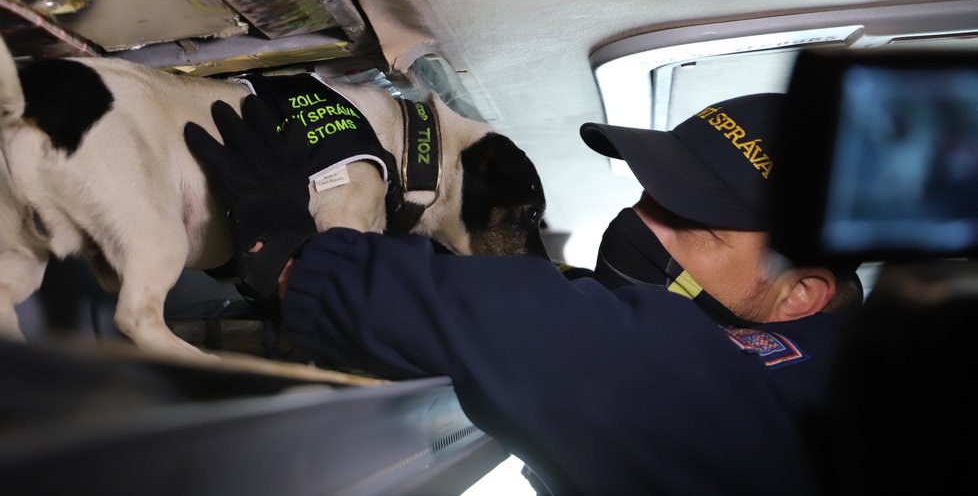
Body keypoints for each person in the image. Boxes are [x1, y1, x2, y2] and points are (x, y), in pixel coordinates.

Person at [184, 92, 862, 495]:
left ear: (799, 296)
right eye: (651, 197)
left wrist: (301, 264)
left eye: (694, 224)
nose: (640, 224)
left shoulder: (845, 384)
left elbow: (627, 362)